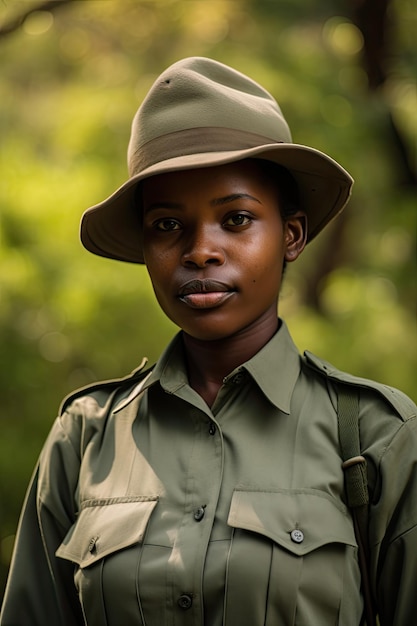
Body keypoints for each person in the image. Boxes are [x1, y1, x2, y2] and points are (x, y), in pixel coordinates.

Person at [1, 57, 416, 626]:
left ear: (290, 236)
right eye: (168, 225)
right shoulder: (86, 436)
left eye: (237, 219)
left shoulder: (377, 436)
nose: (201, 250)